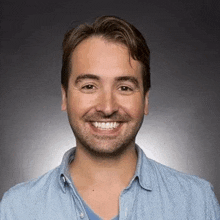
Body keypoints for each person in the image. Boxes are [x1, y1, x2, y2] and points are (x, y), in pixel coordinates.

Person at [0, 15, 219, 220]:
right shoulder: (18, 209)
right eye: (89, 86)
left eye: (124, 87)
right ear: (65, 97)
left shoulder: (197, 202)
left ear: (145, 100)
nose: (107, 107)